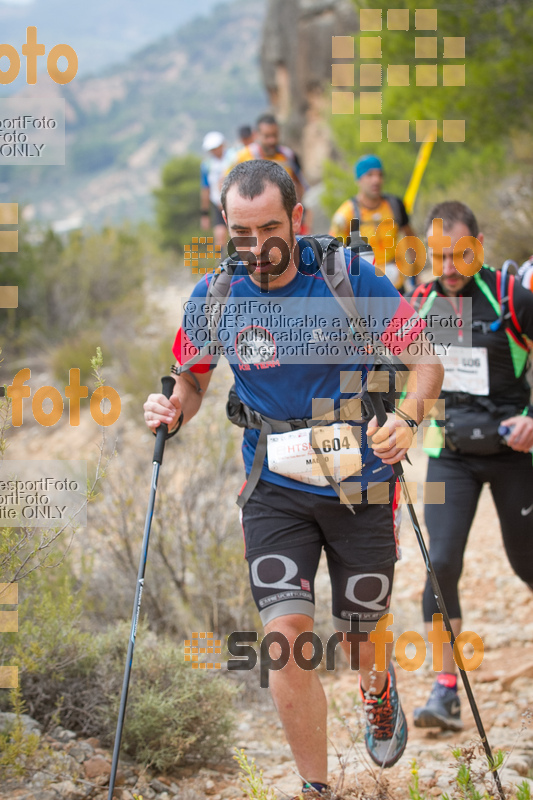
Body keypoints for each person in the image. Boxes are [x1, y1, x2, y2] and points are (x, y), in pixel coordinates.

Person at [144, 161, 443, 796]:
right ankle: (315, 788)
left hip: (360, 479)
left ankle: (378, 686)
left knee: (364, 636)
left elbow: (424, 362)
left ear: (297, 220)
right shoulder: (214, 296)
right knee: (286, 635)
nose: (257, 247)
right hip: (272, 486)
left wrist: (409, 417)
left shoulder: (347, 276)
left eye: (270, 228)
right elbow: (191, 378)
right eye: (240, 232)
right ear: (225, 228)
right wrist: (170, 406)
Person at [408, 201, 533, 732]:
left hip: (514, 453)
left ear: (478, 246)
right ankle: (445, 692)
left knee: (528, 564)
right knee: (441, 565)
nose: (450, 268)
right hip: (450, 453)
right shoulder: (421, 300)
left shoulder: (510, 297)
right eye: (439, 257)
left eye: (460, 255)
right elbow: (398, 367)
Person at [329, 155, 416, 293]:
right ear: (359, 179)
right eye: (369, 175)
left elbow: (411, 238)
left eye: (380, 175)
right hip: (364, 288)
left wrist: (415, 275)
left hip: (396, 285)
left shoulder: (394, 205)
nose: (376, 180)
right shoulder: (345, 214)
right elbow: (332, 255)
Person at [200, 131, 227, 251]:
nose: (215, 151)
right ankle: (221, 265)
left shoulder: (234, 158)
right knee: (219, 236)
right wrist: (204, 214)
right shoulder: (206, 166)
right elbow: (205, 189)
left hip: (236, 202)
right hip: (217, 204)